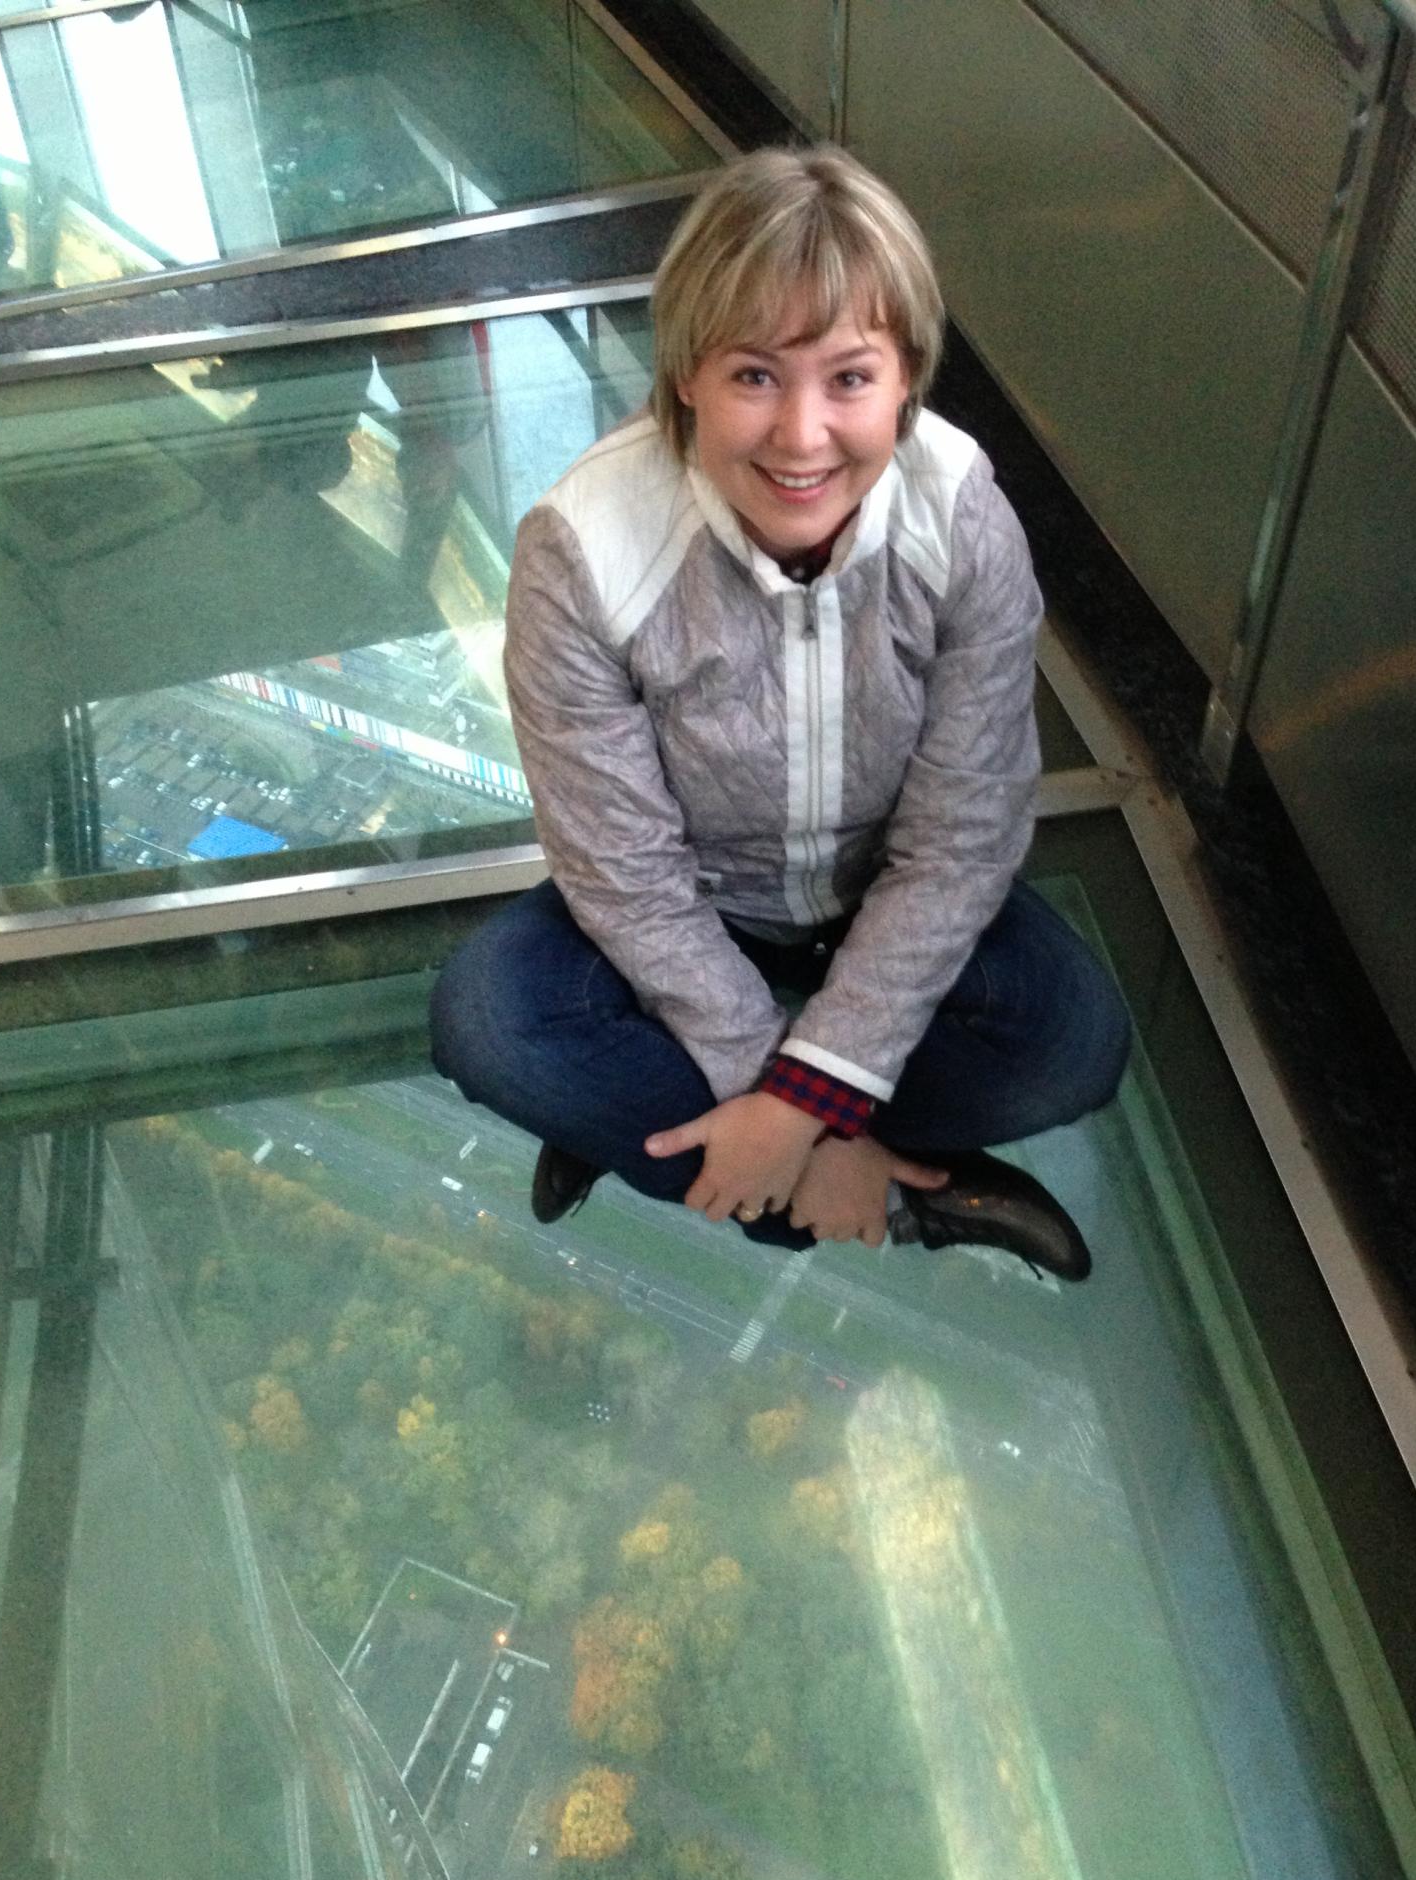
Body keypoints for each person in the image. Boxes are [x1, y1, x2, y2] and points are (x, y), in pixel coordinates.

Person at [430, 146, 1130, 1275]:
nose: (803, 437)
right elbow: (625, 870)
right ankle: (903, 1191)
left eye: (849, 378)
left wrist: (801, 1100)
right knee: (490, 1022)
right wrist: (823, 1123)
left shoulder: (962, 519)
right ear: (686, 376)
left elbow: (958, 844)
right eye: (755, 376)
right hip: (695, 914)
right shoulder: (582, 548)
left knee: (1073, 1042)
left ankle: (658, 1128)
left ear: (907, 379)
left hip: (881, 899)